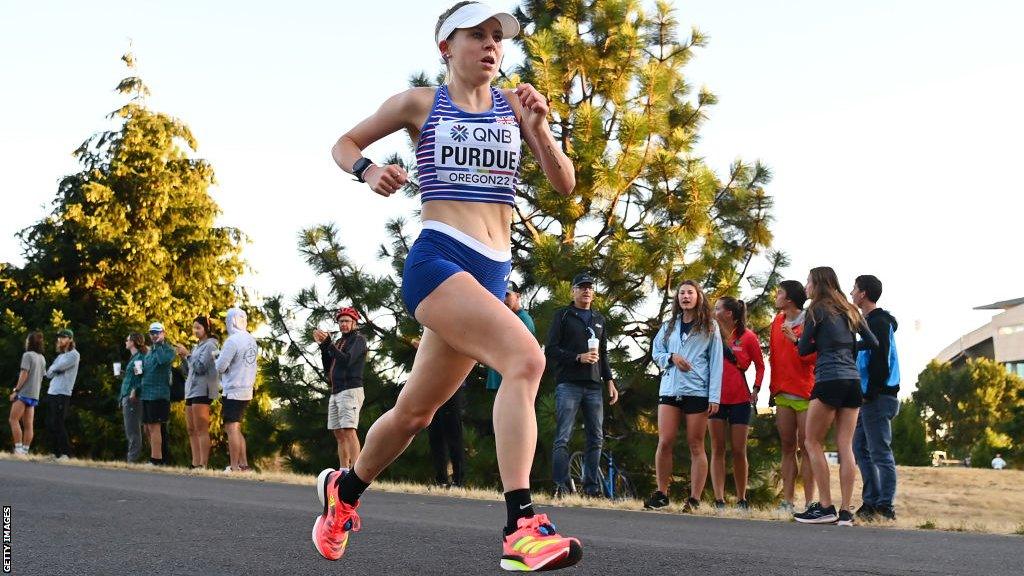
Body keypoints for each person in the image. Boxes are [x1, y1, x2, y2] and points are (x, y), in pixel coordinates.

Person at [316, 3, 582, 570]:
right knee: (526, 360)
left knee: (414, 413)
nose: (491, 46)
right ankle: (521, 526)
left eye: (497, 38)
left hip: (490, 273)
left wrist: (540, 129)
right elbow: (343, 143)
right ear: (446, 47)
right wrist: (368, 172)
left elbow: (565, 183)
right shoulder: (420, 103)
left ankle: (345, 493)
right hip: (438, 259)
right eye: (477, 36)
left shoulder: (516, 108)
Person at [794, 267, 878, 526]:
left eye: (808, 281)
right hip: (853, 381)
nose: (806, 286)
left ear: (817, 284)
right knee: (845, 445)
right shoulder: (850, 310)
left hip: (829, 378)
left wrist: (815, 343)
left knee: (811, 442)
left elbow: (804, 348)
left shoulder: (816, 310)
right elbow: (873, 342)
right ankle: (845, 512)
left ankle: (826, 506)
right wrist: (849, 345)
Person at [645, 280, 724, 512]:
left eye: (690, 292)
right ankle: (661, 493)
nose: (685, 296)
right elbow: (656, 352)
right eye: (681, 293)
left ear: (698, 296)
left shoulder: (710, 326)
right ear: (677, 298)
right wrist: (671, 357)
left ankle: (694, 498)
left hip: (697, 390)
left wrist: (714, 396)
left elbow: (717, 363)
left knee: (696, 444)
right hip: (670, 388)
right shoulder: (669, 326)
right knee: (665, 441)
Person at [546, 272, 620, 497]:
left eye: (589, 287)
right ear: (573, 292)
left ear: (594, 294)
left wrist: (610, 381)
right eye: (581, 287)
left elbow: (604, 354)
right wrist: (578, 357)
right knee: (563, 437)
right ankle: (561, 485)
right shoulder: (563, 315)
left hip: (594, 385)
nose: (586, 290)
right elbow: (551, 349)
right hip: (568, 383)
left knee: (596, 437)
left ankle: (591, 488)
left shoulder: (599, 318)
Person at [850, 275, 901, 521]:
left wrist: (871, 393)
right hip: (867, 397)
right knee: (859, 447)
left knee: (880, 451)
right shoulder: (867, 321)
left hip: (878, 397)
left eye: (854, 289)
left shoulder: (879, 322)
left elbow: (881, 359)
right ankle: (870, 502)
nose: (851, 292)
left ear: (863, 294)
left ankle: (885, 506)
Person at [709, 297, 764, 509]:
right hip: (715, 399)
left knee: (739, 450)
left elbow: (760, 366)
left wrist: (757, 389)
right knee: (717, 448)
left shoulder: (748, 337)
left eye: (717, 308)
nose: (714, 312)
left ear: (729, 313)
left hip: (740, 399)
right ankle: (719, 499)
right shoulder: (711, 335)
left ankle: (742, 499)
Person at [769, 280, 817, 511]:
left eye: (779, 293)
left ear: (789, 299)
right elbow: (774, 358)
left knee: (808, 447)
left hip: (806, 393)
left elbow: (814, 357)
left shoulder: (810, 321)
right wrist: (771, 388)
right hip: (782, 392)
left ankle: (810, 502)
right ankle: (788, 501)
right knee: (788, 447)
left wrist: (796, 341)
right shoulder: (776, 321)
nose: (776, 297)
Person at [314, 307, 368, 470]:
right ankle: (344, 469)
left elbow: (346, 360)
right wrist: (324, 347)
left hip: (350, 389)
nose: (343, 324)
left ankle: (356, 471)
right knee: (338, 432)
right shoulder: (338, 342)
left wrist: (329, 345)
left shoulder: (358, 340)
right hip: (336, 391)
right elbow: (328, 367)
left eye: (347, 321)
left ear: (354, 323)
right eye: (341, 321)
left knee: (349, 429)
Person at [216, 306, 258, 472]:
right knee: (237, 427)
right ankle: (243, 464)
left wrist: (217, 359)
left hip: (233, 388)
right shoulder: (250, 339)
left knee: (231, 427)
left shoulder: (232, 341)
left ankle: (234, 466)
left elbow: (220, 367)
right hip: (247, 388)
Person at [176, 316, 220, 469]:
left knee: (201, 428)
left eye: (198, 327)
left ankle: (203, 464)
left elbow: (201, 367)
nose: (195, 331)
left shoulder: (211, 345)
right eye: (194, 327)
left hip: (203, 389)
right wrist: (183, 358)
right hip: (190, 390)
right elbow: (188, 371)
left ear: (206, 329)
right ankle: (195, 463)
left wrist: (188, 354)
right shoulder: (196, 347)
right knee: (191, 429)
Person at [485, 281, 536, 391]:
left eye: (507, 295)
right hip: (500, 378)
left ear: (517, 296)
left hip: (511, 381)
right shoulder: (502, 317)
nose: (503, 299)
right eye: (501, 294)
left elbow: (520, 353)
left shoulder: (523, 319)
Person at [141, 322, 174, 466]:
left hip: (159, 394)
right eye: (152, 333)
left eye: (157, 332)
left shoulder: (167, 349)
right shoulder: (150, 351)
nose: (154, 335)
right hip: (146, 393)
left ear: (163, 333)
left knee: (155, 426)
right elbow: (145, 370)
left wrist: (160, 345)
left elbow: (162, 361)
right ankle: (155, 456)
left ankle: (156, 460)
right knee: (147, 427)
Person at [44, 328, 80, 459]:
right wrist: (55, 369)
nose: (60, 340)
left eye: (63, 337)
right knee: (50, 423)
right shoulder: (60, 356)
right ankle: (55, 453)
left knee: (59, 422)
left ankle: (66, 453)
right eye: (59, 337)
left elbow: (58, 367)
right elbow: (48, 374)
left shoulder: (74, 354)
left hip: (63, 393)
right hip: (52, 391)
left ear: (70, 339)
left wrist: (55, 368)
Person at [9, 331, 45, 455]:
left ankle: (18, 449)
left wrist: (16, 390)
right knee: (28, 425)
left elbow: (24, 374)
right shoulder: (42, 358)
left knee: (13, 420)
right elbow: (42, 376)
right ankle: (25, 450)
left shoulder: (27, 355)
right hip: (34, 395)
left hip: (24, 393)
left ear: (29, 342)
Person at [120, 333, 147, 462]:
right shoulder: (134, 358)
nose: (125, 341)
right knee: (130, 430)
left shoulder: (138, 358)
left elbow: (140, 376)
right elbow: (135, 375)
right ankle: (131, 460)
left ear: (133, 342)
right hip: (127, 395)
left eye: (127, 339)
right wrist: (124, 375)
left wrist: (135, 390)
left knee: (133, 431)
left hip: (132, 398)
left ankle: (132, 461)